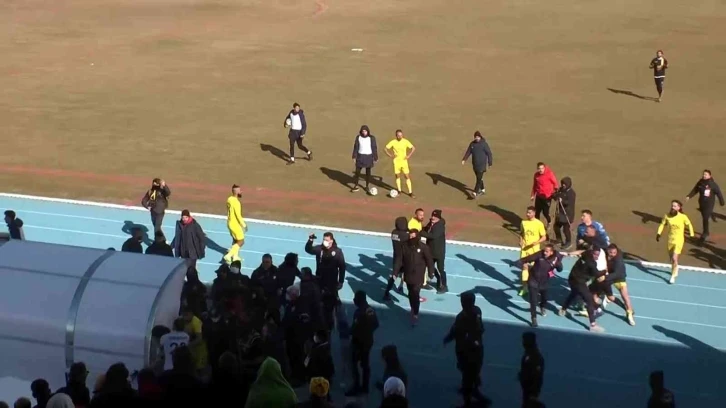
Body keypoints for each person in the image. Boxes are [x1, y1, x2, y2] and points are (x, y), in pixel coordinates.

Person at [443, 291, 489, 407]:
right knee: (474, 370)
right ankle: (474, 389)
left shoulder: (462, 317)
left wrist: (448, 338)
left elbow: (455, 331)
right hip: (477, 348)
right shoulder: (477, 311)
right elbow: (480, 328)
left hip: (465, 350)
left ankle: (468, 400)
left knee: (467, 374)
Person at [558, 246, 606, 333]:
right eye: (595, 254)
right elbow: (597, 274)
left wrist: (569, 254)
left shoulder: (586, 253)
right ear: (592, 253)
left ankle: (563, 309)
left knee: (573, 293)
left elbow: (581, 251)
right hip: (579, 282)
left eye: (598, 255)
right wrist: (605, 271)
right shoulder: (592, 263)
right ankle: (593, 325)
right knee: (589, 300)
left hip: (572, 278)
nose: (596, 257)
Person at [392, 229, 435, 326]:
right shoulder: (404, 246)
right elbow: (399, 260)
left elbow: (429, 260)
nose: (412, 238)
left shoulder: (423, 247)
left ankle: (415, 313)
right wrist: (395, 272)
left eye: (413, 237)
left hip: (419, 274)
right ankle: (413, 307)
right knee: (411, 293)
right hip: (408, 274)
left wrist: (431, 272)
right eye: (410, 236)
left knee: (415, 293)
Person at [305, 232, 346, 330]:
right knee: (317, 300)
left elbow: (342, 267)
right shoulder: (319, 249)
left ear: (331, 240)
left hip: (331, 282)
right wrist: (310, 240)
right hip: (319, 280)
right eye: (324, 239)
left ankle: (332, 322)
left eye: (327, 240)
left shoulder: (337, 252)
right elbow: (308, 249)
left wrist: (341, 281)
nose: (325, 242)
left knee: (331, 303)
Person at [516, 244, 563, 327]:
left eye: (547, 252)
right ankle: (533, 318)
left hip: (544, 283)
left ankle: (542, 306)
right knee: (533, 301)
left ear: (551, 252)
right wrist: (521, 263)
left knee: (544, 298)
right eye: (544, 251)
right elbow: (527, 258)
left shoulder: (555, 259)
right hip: (533, 281)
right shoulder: (539, 255)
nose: (544, 253)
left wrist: (558, 263)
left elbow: (560, 269)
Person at [345, 290, 379, 397]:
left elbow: (354, 328)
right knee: (365, 364)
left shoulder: (359, 312)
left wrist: (349, 332)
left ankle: (356, 386)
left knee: (353, 364)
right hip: (368, 340)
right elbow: (376, 324)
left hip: (358, 342)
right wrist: (368, 331)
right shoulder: (371, 310)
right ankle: (365, 386)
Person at [596, 244, 636, 326]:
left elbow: (617, 274)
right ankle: (625, 308)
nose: (613, 254)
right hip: (610, 276)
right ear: (607, 250)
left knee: (625, 297)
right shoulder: (604, 252)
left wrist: (605, 277)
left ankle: (629, 313)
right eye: (611, 252)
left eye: (614, 253)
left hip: (619, 278)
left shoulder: (618, 260)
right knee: (610, 297)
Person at [657, 200, 694, 284]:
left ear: (678, 208)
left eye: (674, 206)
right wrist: (658, 233)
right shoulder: (667, 216)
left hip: (679, 240)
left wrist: (691, 235)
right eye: (672, 206)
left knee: (674, 258)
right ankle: (675, 268)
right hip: (670, 240)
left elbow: (689, 224)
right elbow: (662, 224)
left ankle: (673, 276)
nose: (672, 207)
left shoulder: (683, 217)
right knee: (671, 259)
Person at [686, 169, 724, 244]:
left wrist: (722, 202)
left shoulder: (713, 184)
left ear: (710, 176)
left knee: (705, 218)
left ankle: (705, 233)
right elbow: (695, 190)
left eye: (706, 174)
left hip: (709, 204)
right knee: (704, 217)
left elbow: (718, 193)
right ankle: (706, 230)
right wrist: (689, 196)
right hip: (702, 203)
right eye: (703, 174)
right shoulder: (701, 182)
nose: (704, 175)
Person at [519, 206, 547, 297]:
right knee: (525, 267)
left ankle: (536, 287)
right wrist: (521, 241)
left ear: (534, 213)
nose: (527, 214)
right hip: (525, 249)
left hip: (534, 250)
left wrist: (536, 242)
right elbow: (521, 233)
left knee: (534, 269)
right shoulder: (523, 222)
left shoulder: (539, 224)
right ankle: (524, 288)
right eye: (527, 212)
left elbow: (544, 237)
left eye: (529, 213)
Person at [384, 129, 416, 198]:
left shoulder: (405, 141)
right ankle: (399, 191)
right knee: (397, 176)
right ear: (396, 136)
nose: (400, 136)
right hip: (396, 162)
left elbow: (413, 148)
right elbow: (385, 149)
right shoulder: (393, 142)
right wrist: (391, 156)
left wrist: (408, 156)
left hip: (404, 162)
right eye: (398, 135)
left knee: (407, 176)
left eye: (401, 135)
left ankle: (410, 192)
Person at [422, 209, 448, 294]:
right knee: (431, 267)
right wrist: (419, 228)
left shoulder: (440, 226)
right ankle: (438, 280)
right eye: (432, 215)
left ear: (438, 218)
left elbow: (433, 236)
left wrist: (420, 233)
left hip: (438, 252)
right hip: (430, 250)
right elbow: (426, 229)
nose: (433, 217)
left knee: (440, 270)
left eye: (435, 216)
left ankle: (444, 286)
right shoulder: (431, 222)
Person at [461, 130, 493, 197]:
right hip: (475, 165)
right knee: (479, 178)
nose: (477, 138)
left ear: (480, 137)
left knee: (478, 179)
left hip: (482, 165)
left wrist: (490, 163)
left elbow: (489, 153)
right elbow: (468, 152)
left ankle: (475, 193)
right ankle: (483, 190)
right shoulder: (472, 144)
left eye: (478, 137)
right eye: (476, 137)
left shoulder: (484, 144)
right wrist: (464, 159)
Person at [383, 217, 409, 301]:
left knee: (394, 276)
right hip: (405, 258)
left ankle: (386, 293)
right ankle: (408, 291)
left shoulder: (394, 232)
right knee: (409, 276)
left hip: (397, 259)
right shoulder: (405, 235)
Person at [518, 332, 544, 408]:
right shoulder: (527, 354)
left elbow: (537, 376)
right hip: (526, 390)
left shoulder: (535, 356)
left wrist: (534, 394)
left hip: (531, 393)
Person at [351, 125, 379, 193]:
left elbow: (374, 147)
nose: (364, 132)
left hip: (368, 157)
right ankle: (356, 185)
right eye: (363, 131)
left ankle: (367, 186)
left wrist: (375, 157)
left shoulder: (371, 138)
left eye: (365, 131)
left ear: (368, 131)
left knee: (368, 172)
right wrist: (354, 156)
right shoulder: (358, 137)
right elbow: (356, 147)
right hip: (360, 157)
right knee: (357, 172)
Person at [530, 162, 558, 227]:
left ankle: (549, 221)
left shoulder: (549, 174)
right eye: (539, 168)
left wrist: (555, 192)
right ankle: (537, 225)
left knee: (545, 213)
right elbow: (535, 185)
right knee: (537, 212)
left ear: (544, 168)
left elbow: (555, 183)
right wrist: (532, 195)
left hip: (547, 197)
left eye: (542, 168)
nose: (541, 170)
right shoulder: (536, 175)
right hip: (539, 197)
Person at [224, 184, 247, 265]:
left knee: (235, 240)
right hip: (235, 224)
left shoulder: (229, 199)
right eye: (240, 190)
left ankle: (235, 256)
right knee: (241, 241)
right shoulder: (236, 203)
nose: (241, 191)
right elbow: (238, 215)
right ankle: (229, 255)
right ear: (237, 192)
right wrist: (244, 225)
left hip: (229, 222)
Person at [552, 177, 576, 249]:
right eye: (562, 183)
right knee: (556, 226)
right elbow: (556, 195)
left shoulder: (572, 193)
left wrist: (562, 201)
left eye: (564, 184)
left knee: (565, 229)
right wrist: (555, 195)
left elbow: (569, 203)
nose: (563, 185)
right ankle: (559, 239)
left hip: (567, 214)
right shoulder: (561, 190)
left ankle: (568, 242)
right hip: (560, 213)